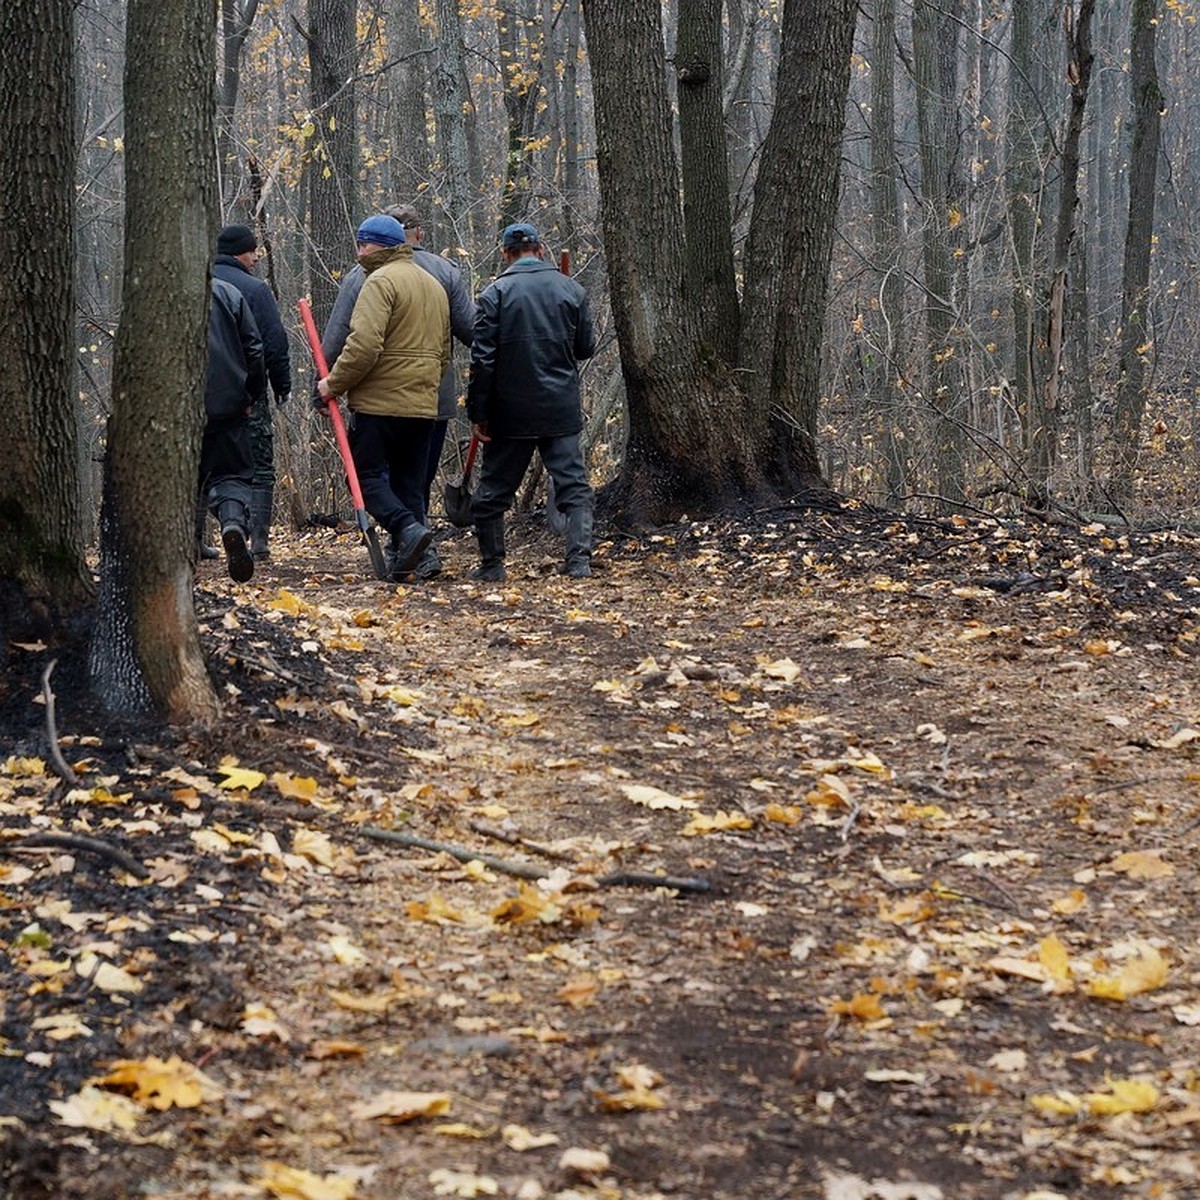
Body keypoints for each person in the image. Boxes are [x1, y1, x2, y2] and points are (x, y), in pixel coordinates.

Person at [323, 203, 475, 580]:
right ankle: (415, 557)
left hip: (380, 402)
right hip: (427, 404)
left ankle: (408, 532)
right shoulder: (437, 281)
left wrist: (329, 384)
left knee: (366, 475)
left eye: (364, 245)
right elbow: (447, 350)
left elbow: (359, 345)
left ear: (381, 245)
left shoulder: (374, 281)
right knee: (411, 483)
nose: (359, 253)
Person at [467, 222, 596, 581]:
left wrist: (479, 413)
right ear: (540, 250)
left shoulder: (495, 294)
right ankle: (579, 562)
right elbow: (585, 348)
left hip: (510, 413)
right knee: (574, 487)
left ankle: (492, 566)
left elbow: (482, 361)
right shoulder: (571, 290)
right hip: (560, 408)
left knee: (493, 492)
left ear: (506, 254)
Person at [213, 223, 293, 559]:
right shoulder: (255, 290)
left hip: (196, 394)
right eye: (252, 251)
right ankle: (259, 540)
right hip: (247, 391)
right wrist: (280, 385)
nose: (256, 257)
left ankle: (197, 541)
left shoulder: (196, 284)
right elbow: (272, 343)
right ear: (239, 253)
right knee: (260, 464)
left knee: (204, 465)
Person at [203, 277, 264, 583]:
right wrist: (249, 393)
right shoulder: (228, 292)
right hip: (227, 402)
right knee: (232, 473)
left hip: (173, 404)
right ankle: (233, 523)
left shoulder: (156, 288)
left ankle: (184, 547)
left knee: (183, 476)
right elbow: (254, 347)